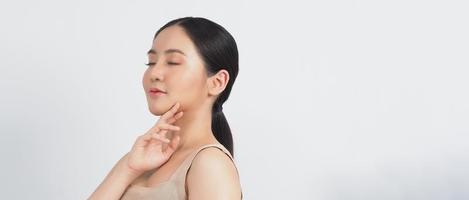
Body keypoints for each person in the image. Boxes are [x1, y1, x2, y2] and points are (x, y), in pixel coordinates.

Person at [89, 17, 242, 200]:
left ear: (217, 82)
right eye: (151, 62)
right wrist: (127, 168)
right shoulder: (138, 161)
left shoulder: (210, 165)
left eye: (173, 62)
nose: (154, 73)